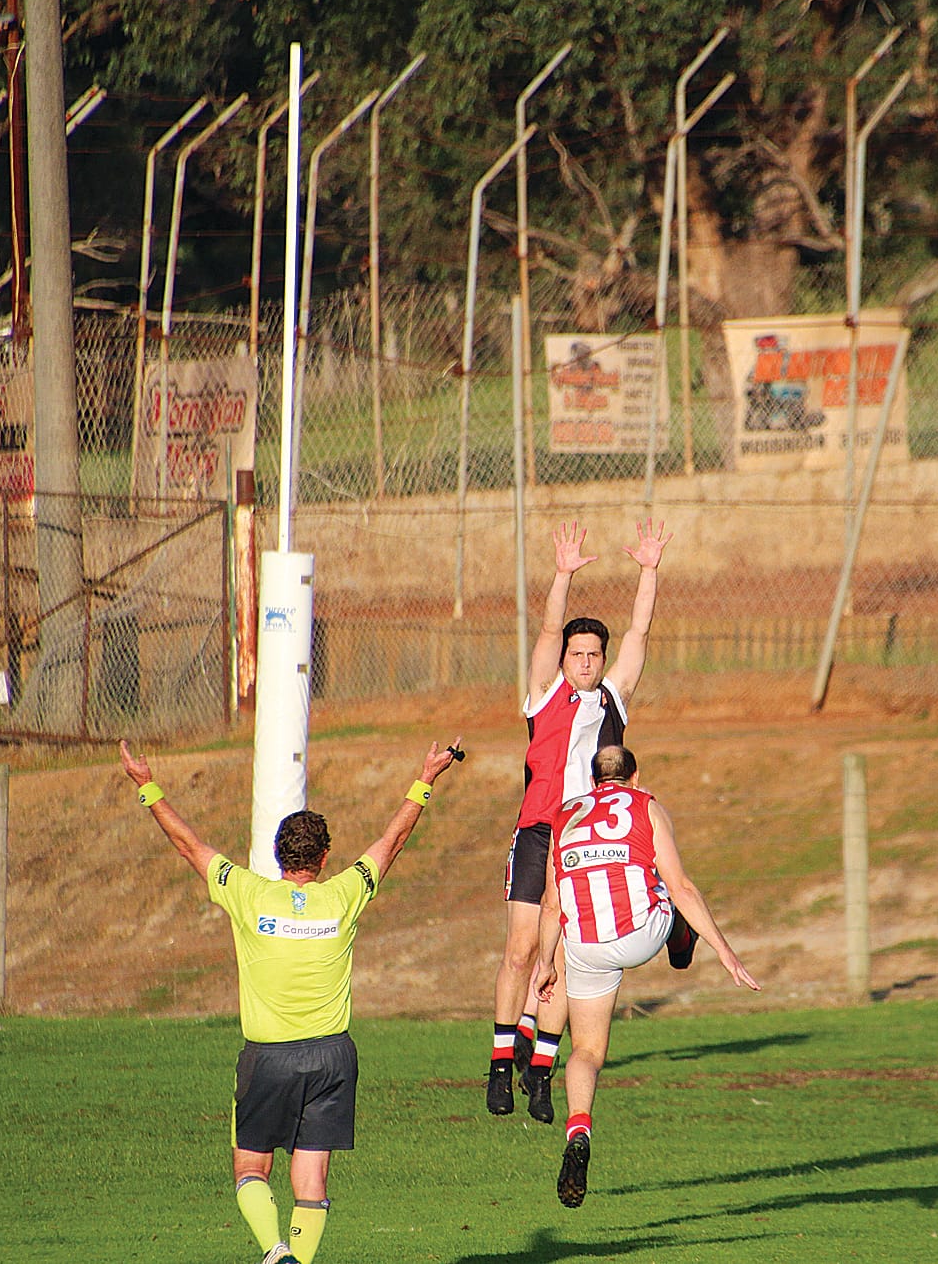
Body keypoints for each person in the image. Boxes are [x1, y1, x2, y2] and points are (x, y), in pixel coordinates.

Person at [120, 736, 462, 1264]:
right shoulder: (345, 892)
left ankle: (275, 1250)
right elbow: (390, 843)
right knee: (312, 1182)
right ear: (324, 858)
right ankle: (298, 1261)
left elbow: (189, 845)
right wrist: (425, 780)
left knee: (251, 1170)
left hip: (269, 1058)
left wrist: (147, 786)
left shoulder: (247, 891)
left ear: (277, 857)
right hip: (332, 1057)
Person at [489, 518, 671, 1123]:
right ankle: (501, 1062)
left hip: (589, 837)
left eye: (595, 654)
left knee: (566, 956)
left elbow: (641, 632)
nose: (588, 662)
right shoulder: (544, 692)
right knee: (522, 950)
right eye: (579, 654)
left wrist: (648, 570)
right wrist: (562, 574)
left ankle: (539, 1069)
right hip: (540, 829)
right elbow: (545, 629)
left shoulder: (613, 697)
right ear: (566, 658)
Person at [530, 744, 759, 1207]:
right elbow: (682, 885)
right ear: (635, 777)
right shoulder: (647, 804)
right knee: (669, 900)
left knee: (588, 1051)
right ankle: (681, 944)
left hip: (585, 945)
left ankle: (578, 1130)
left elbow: (553, 904)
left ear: (594, 782)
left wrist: (545, 963)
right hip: (641, 933)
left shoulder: (565, 814)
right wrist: (726, 951)